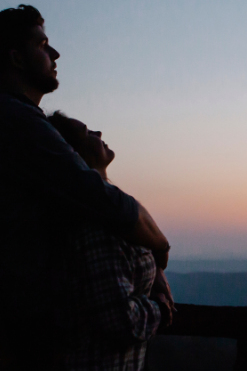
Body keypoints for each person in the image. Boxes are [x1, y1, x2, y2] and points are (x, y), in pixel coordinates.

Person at [0, 5, 173, 371]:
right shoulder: (14, 122)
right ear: (16, 58)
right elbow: (105, 202)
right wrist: (159, 245)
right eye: (42, 44)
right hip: (9, 340)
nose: (55, 54)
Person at [47, 111, 174, 371]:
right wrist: (160, 308)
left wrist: (156, 270)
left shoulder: (114, 216)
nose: (99, 133)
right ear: (74, 154)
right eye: (88, 133)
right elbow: (119, 320)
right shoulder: (95, 227)